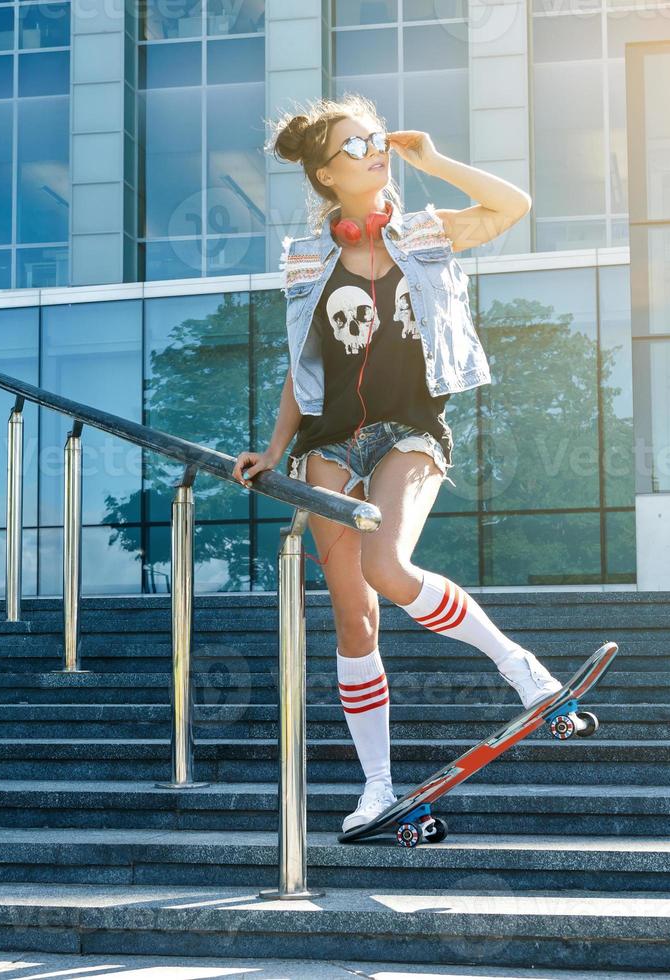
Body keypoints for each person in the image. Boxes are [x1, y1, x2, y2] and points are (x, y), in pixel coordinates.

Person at [231, 94, 564, 834]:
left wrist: (433, 160)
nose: (373, 151)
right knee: (354, 618)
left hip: (411, 430)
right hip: (329, 444)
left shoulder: (427, 232)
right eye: (354, 146)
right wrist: (277, 449)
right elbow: (302, 364)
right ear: (325, 174)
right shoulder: (310, 260)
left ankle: (521, 669)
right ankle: (377, 787)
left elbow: (513, 204)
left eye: (375, 138)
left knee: (388, 566)